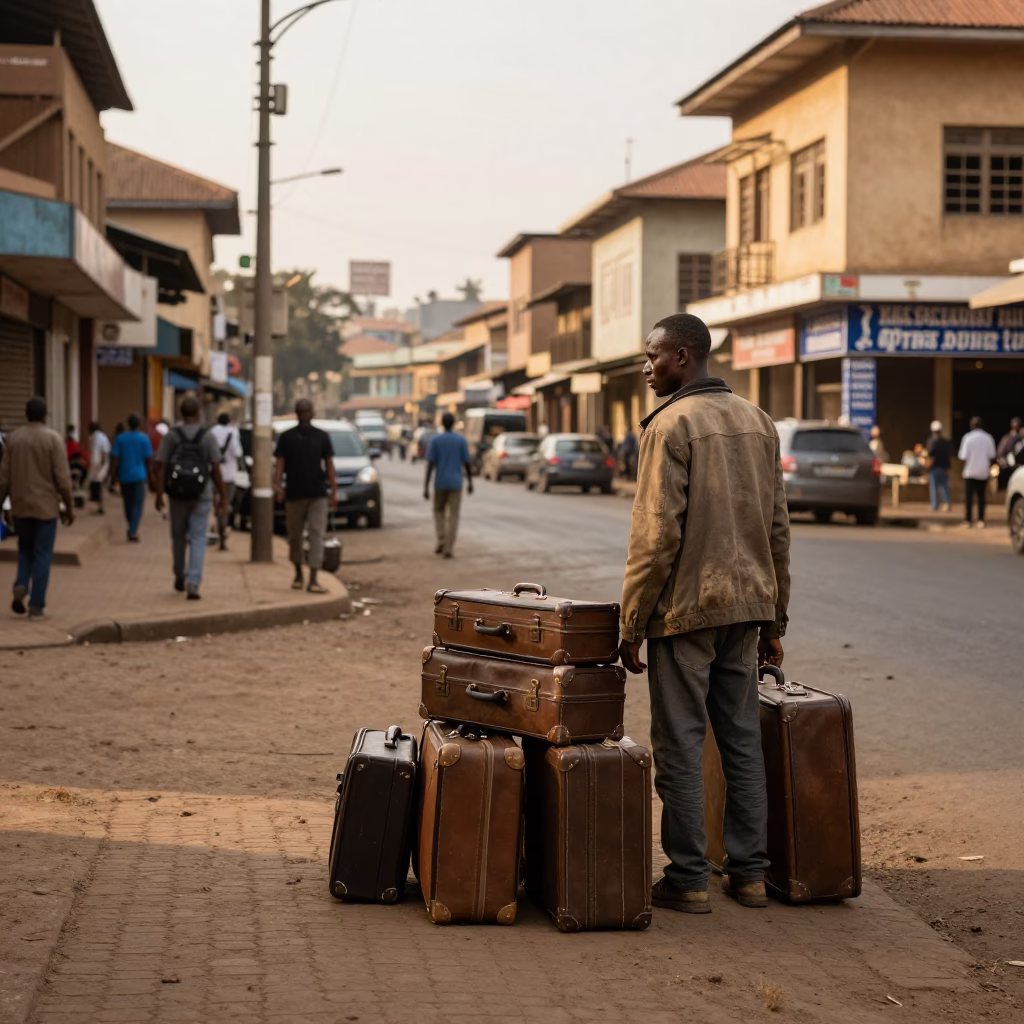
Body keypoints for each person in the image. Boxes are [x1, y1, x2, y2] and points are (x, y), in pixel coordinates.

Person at [618, 313, 790, 915]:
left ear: (685, 357)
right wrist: (774, 622)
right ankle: (747, 876)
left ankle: (688, 877)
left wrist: (631, 623)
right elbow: (777, 534)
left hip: (686, 613)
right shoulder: (758, 422)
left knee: (681, 745)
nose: (646, 366)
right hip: (746, 612)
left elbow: (655, 536)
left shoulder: (671, 425)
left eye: (654, 356)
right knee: (742, 744)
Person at [0, 397, 74, 618]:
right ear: (45, 415)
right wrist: (69, 506)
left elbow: (3, 478)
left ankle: (21, 583)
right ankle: (36, 604)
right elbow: (62, 478)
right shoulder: (53, 439)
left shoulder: (13, 439)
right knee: (42, 554)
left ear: (26, 414)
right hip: (46, 508)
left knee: (25, 549)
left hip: (21, 506)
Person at [154, 397, 227, 599]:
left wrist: (159, 495)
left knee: (178, 536)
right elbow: (216, 468)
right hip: (201, 494)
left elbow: (161, 467)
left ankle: (179, 574)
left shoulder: (171, 436)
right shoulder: (207, 437)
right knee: (197, 537)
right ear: (198, 414)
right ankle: (193, 583)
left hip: (176, 494)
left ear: (180, 413)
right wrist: (222, 496)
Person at [274, 399, 337, 594]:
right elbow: (280, 465)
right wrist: (278, 487)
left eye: (306, 411)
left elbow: (329, 465)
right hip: (294, 493)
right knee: (295, 536)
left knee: (316, 535)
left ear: (311, 413)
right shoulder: (287, 437)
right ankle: (299, 574)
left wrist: (333, 490)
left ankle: (312, 579)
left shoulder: (321, 437)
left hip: (317, 493)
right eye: (302, 411)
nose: (304, 414)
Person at [424, 412, 473, 559]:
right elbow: (467, 463)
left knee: (438, 511)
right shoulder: (461, 441)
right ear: (453, 423)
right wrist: (470, 482)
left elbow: (430, 464)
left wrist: (425, 486)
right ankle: (449, 548)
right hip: (456, 483)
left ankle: (442, 540)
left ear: (441, 423)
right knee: (453, 515)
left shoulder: (436, 441)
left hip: (440, 482)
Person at [108, 414, 153, 542]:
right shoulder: (144, 439)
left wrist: (113, 476)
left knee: (127, 504)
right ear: (139, 424)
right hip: (139, 476)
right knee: (137, 505)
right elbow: (148, 459)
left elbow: (115, 459)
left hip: (125, 476)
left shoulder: (120, 439)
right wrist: (151, 478)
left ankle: (131, 527)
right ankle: (133, 530)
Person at [210, 411, 243, 551]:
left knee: (217, 504)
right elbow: (238, 452)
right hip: (229, 475)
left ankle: (220, 528)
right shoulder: (233, 432)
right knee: (226, 503)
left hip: (213, 474)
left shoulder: (211, 432)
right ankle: (223, 533)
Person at [959, 416, 996, 528]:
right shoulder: (988, 438)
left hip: (970, 471)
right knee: (981, 497)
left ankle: (968, 520)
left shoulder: (967, 438)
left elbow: (963, 456)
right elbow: (992, 455)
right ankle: (981, 519)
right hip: (983, 471)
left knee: (969, 497)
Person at [925, 420, 952, 512]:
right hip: (944, 467)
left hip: (935, 467)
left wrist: (927, 464)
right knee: (944, 486)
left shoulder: (932, 441)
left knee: (934, 487)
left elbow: (930, 454)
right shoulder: (945, 442)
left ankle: (935, 504)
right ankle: (947, 503)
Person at [86, 421, 111, 515]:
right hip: (98, 464)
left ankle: (101, 507)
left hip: (99, 464)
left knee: (98, 486)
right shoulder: (99, 437)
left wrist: (103, 464)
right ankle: (99, 507)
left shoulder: (97, 438)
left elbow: (104, 451)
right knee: (97, 485)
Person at [996, 417, 1022, 491]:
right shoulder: (1007, 438)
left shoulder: (1020, 437)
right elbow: (1001, 452)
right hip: (1008, 464)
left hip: (1016, 464)